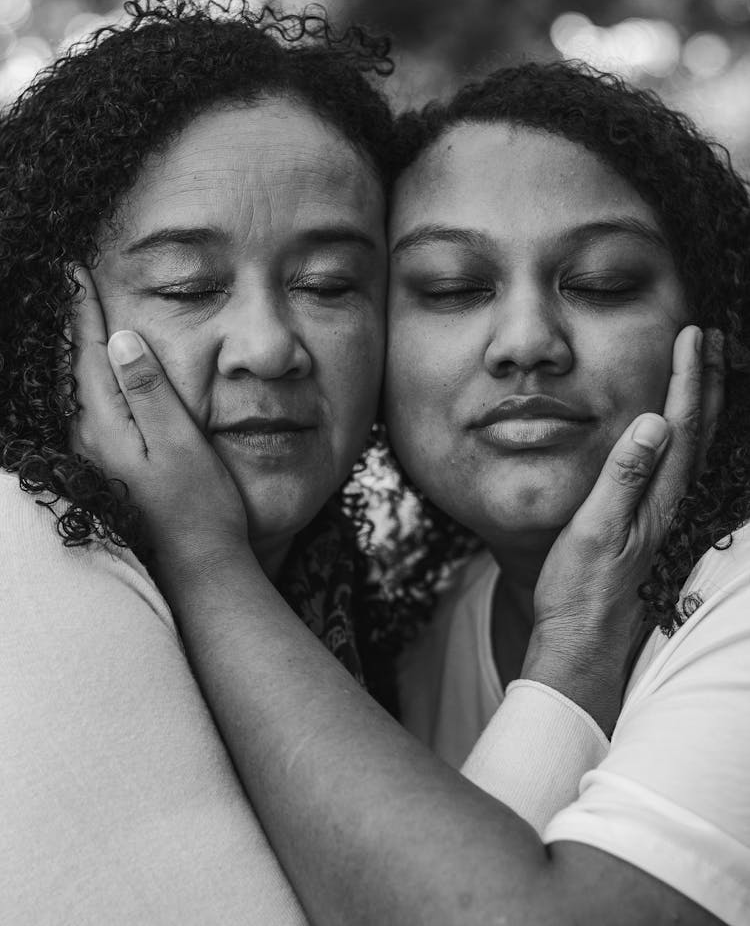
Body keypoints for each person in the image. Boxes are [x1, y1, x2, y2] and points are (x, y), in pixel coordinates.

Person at [71, 60, 748, 925]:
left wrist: (207, 562)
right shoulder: (415, 641)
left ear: (717, 329)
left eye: (604, 281)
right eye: (453, 288)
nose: (527, 341)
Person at [0, 0, 400, 924]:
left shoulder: (335, 597)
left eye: (329, 284)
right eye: (189, 284)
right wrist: (569, 669)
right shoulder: (27, 552)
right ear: (57, 322)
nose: (267, 345)